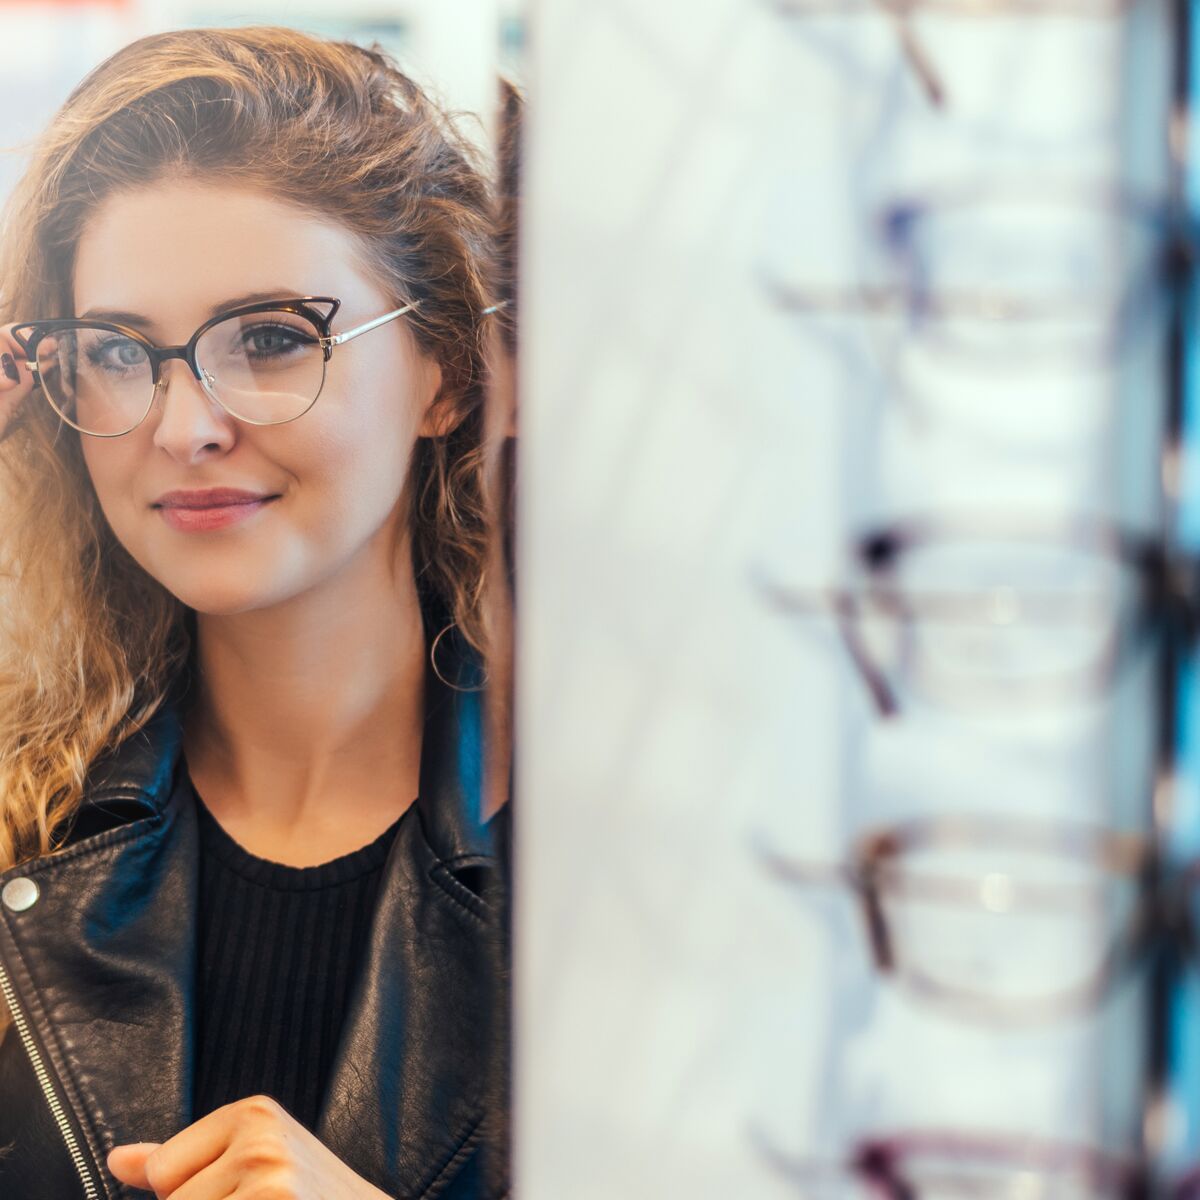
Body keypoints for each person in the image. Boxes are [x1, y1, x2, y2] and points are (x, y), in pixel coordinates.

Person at [0, 24, 512, 1200]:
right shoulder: (25, 806)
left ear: (445, 369)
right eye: (117, 353)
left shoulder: (618, 853)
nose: (183, 427)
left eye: (274, 339)